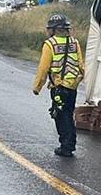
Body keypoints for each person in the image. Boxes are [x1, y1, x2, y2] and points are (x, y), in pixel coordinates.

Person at [31, 13, 85, 157]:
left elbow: (43, 68)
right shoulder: (74, 42)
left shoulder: (50, 44)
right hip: (72, 88)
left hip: (58, 89)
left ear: (54, 30)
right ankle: (69, 143)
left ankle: (66, 146)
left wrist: (37, 87)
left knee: (61, 115)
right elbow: (81, 65)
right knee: (68, 113)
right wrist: (78, 80)